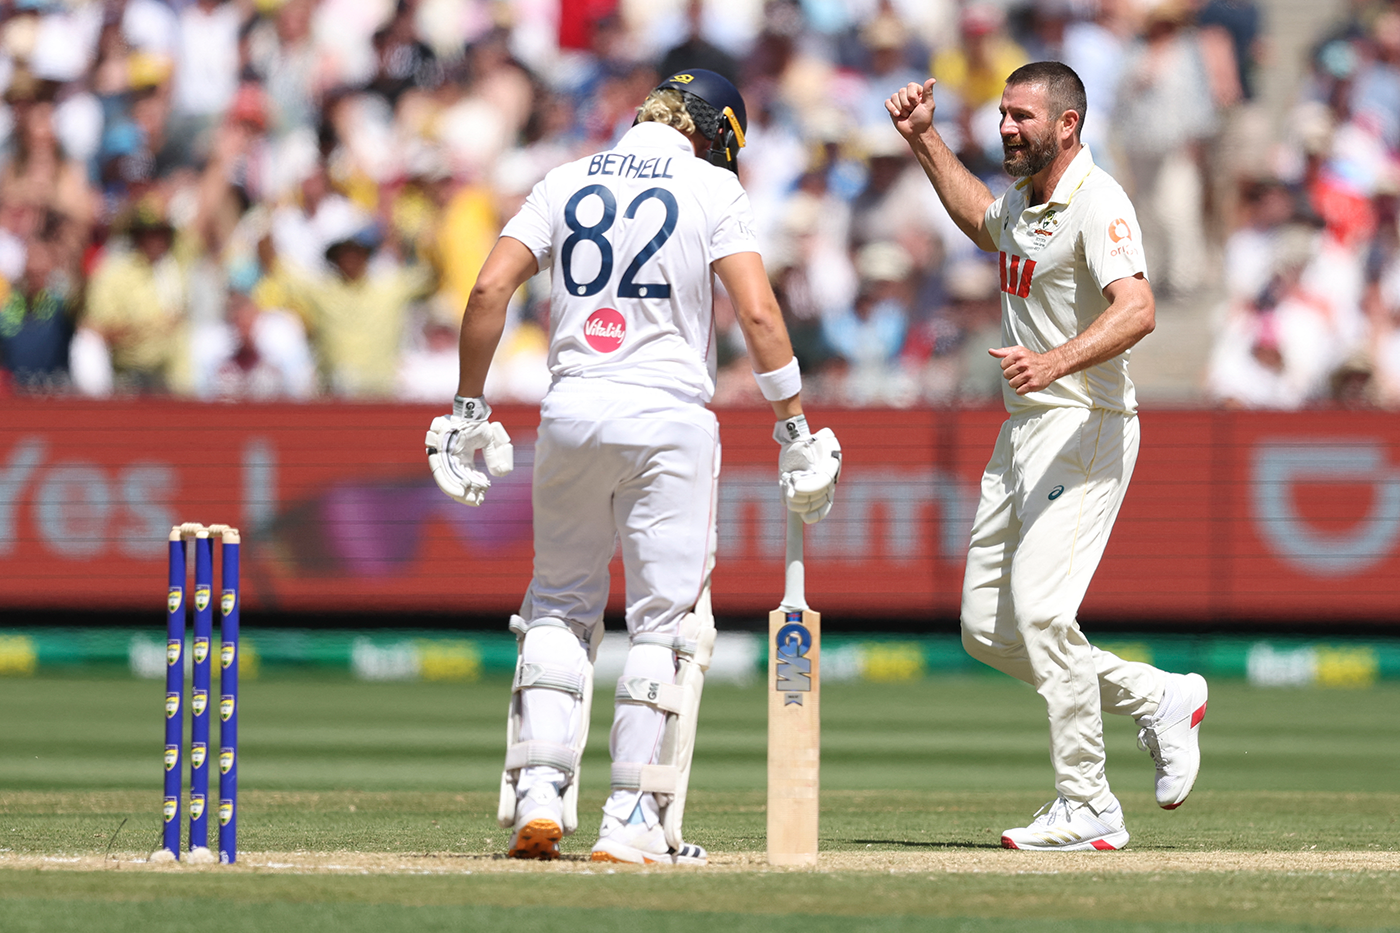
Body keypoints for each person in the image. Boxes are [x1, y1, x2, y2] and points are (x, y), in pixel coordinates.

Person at [425, 69, 841, 865]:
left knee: (556, 605)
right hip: (668, 418)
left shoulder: (565, 178)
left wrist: (466, 411)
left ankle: (539, 792)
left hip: (573, 409)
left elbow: (487, 289)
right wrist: (794, 426)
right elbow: (758, 312)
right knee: (665, 622)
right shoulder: (713, 191)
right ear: (716, 133)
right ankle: (631, 817)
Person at [886, 62, 1208, 851]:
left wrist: (1058, 360)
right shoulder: (1027, 203)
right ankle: (1159, 696)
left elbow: (1139, 308)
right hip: (1023, 428)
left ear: (1067, 124)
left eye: (1022, 116)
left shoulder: (1099, 202)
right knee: (984, 630)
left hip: (1087, 420)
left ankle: (1088, 802)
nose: (1006, 127)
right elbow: (981, 222)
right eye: (1002, 114)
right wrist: (925, 139)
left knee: (1040, 613)